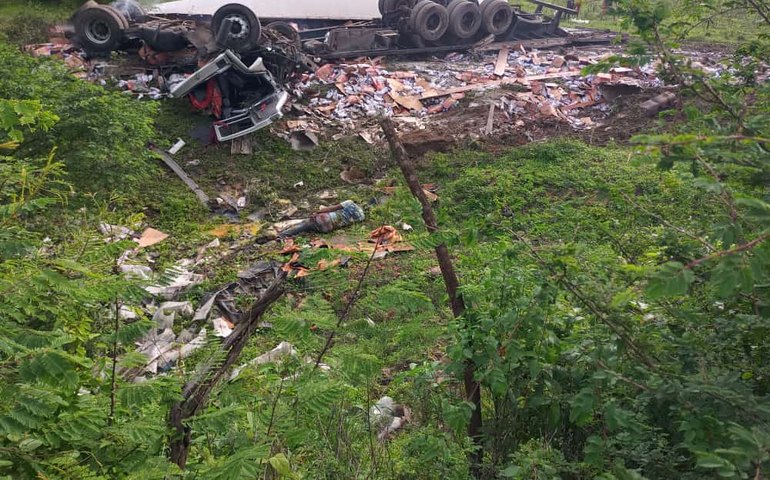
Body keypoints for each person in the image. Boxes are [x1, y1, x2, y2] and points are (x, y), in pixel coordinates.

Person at [278, 200, 365, 237]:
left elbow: (331, 208)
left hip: (326, 218)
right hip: (328, 228)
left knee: (305, 224)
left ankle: (282, 235)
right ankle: (288, 233)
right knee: (308, 228)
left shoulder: (350, 203)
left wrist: (317, 212)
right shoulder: (362, 217)